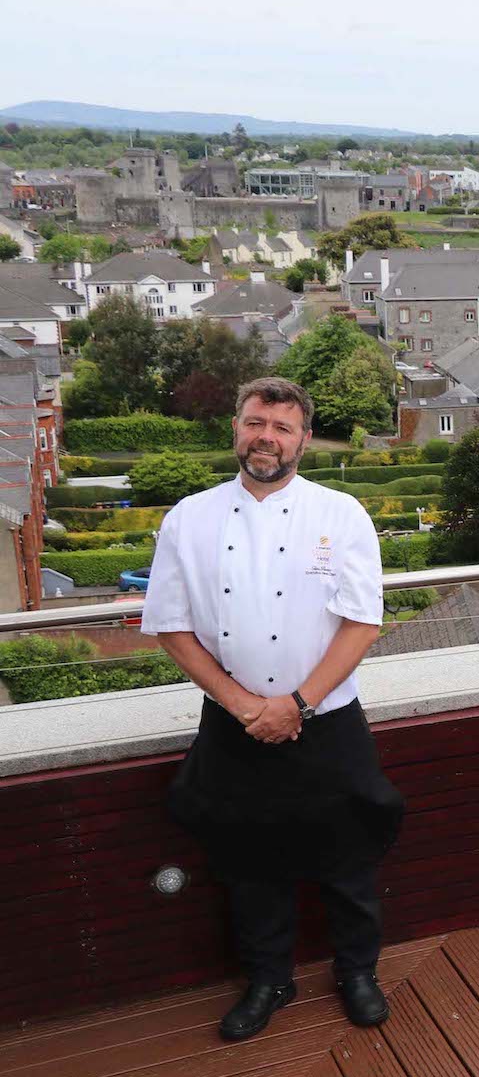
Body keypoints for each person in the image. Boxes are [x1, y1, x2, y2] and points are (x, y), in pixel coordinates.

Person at [142, 377, 403, 1041]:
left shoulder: (340, 514)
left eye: (282, 427)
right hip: (234, 724)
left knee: (348, 854)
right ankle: (269, 979)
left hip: (327, 719)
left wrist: (296, 704)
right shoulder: (189, 518)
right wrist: (244, 706)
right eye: (256, 422)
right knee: (247, 856)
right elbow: (172, 626)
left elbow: (361, 623)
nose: (267, 437)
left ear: (304, 440)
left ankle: (358, 972)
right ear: (236, 427)